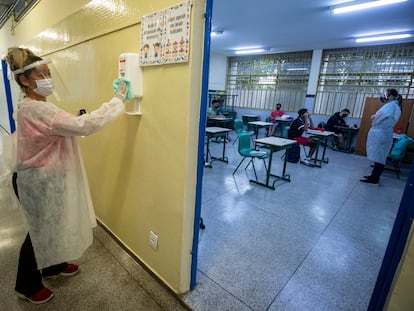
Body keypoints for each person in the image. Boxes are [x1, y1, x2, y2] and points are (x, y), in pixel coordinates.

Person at [6, 46, 129, 304]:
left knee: (53, 225)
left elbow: (54, 128)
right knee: (40, 232)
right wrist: (117, 100)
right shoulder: (38, 109)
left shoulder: (32, 104)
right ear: (24, 80)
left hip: (47, 178)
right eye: (41, 75)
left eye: (49, 73)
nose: (48, 79)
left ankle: (52, 266)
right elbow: (85, 125)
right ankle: (26, 285)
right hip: (38, 181)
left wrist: (69, 121)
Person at [361, 88, 402, 184]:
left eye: (386, 94)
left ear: (391, 96)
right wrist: (375, 117)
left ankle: (374, 178)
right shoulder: (394, 106)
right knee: (379, 156)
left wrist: (373, 117)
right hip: (382, 133)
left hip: (381, 133)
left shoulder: (391, 106)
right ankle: (374, 175)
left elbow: (378, 117)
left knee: (379, 157)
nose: (384, 96)